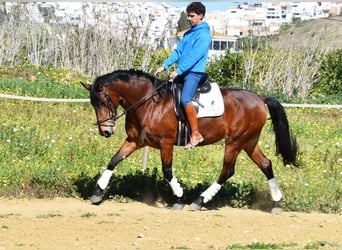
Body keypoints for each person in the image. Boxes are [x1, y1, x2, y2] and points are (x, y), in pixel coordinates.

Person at [155, 2, 211, 149]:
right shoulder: (187, 34)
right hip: (184, 71)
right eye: (188, 15)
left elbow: (195, 56)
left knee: (185, 99)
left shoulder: (204, 35)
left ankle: (196, 134)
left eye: (192, 16)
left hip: (194, 73)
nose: (189, 18)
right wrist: (164, 65)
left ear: (201, 16)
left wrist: (179, 71)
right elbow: (178, 52)